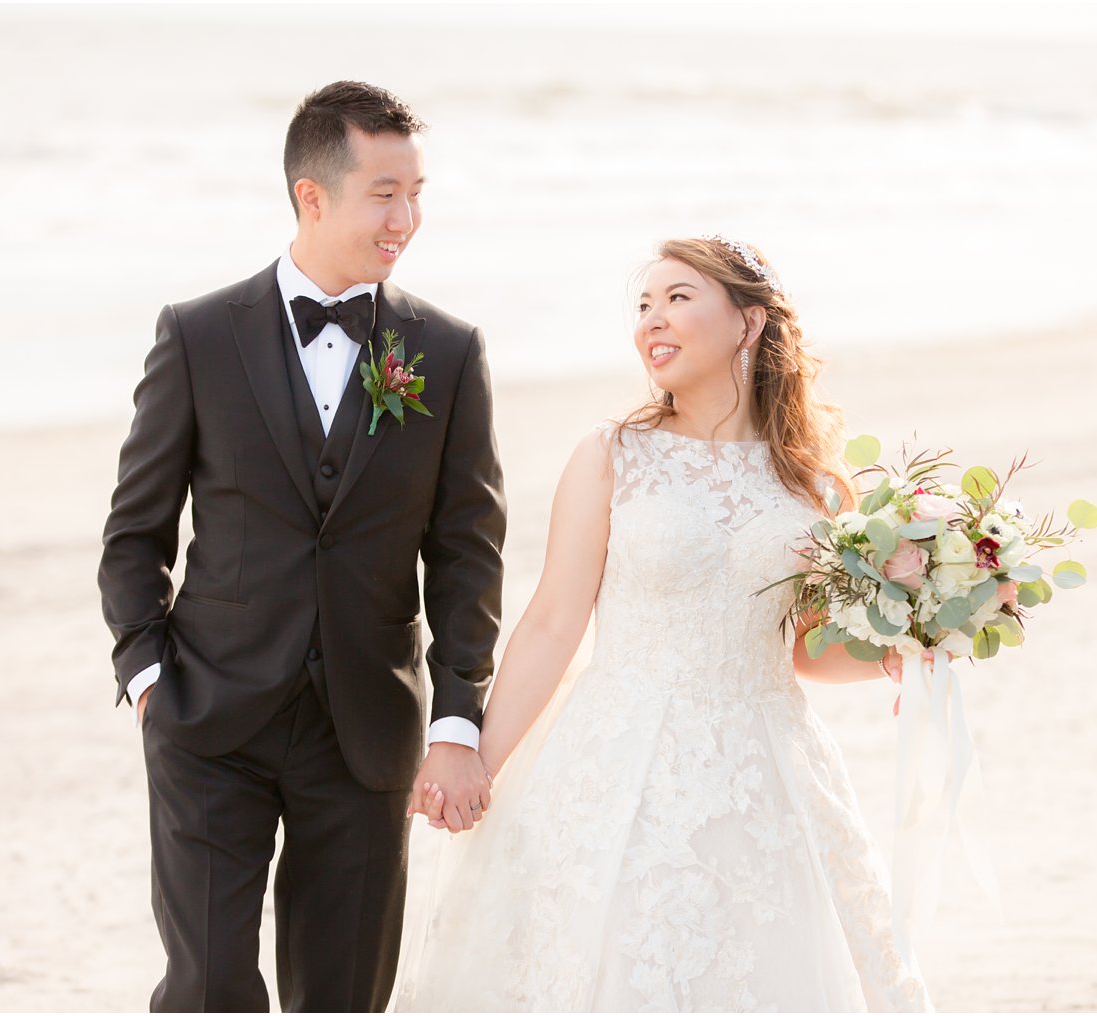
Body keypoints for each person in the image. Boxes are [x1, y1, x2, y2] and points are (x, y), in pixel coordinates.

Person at [394, 236, 934, 1012]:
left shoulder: (814, 483)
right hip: (620, 759)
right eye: (643, 305)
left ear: (748, 324)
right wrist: (479, 760)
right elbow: (552, 622)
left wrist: (915, 636)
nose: (653, 318)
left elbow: (812, 650)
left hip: (767, 769)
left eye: (679, 297)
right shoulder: (614, 453)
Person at [98, 80, 505, 1012]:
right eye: (385, 193)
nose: (406, 218)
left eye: (417, 193)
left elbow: (467, 552)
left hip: (365, 731)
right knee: (205, 985)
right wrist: (147, 670)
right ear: (311, 196)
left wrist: (456, 718)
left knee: (344, 995)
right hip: (208, 720)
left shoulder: (445, 351)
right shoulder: (198, 335)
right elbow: (135, 529)